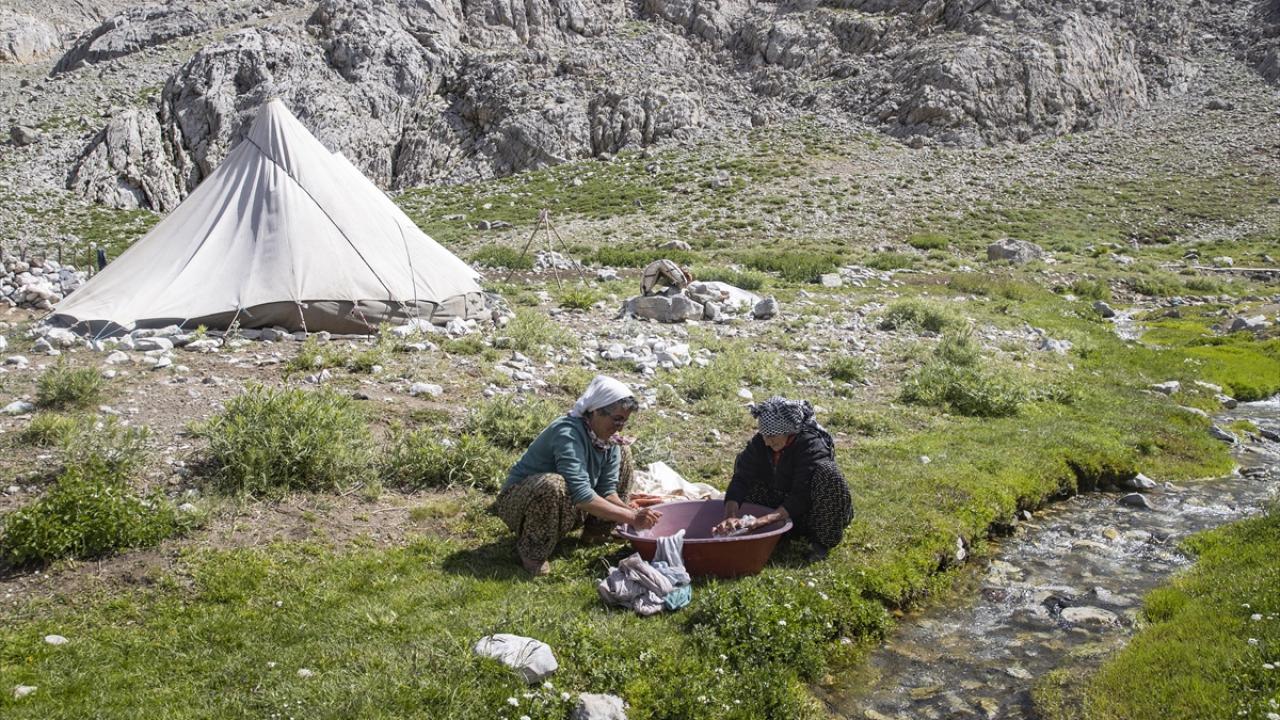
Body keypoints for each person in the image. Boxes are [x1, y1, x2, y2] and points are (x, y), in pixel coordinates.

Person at [492, 375, 662, 576]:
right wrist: (632, 517)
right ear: (596, 411)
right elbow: (581, 495)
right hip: (522, 503)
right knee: (552, 484)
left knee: (624, 449)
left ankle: (597, 531)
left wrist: (633, 514)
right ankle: (533, 552)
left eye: (624, 420)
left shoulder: (608, 441)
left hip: (569, 503)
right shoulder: (567, 433)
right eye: (617, 419)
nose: (620, 426)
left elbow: (607, 491)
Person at [713, 396, 853, 561]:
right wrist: (730, 515)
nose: (767, 442)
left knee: (828, 473)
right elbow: (741, 479)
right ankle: (777, 533)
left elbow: (801, 495)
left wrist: (763, 520)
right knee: (742, 462)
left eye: (772, 436)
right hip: (780, 502)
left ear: (789, 431)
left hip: (810, 512)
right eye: (764, 436)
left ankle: (821, 541)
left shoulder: (811, 446)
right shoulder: (760, 443)